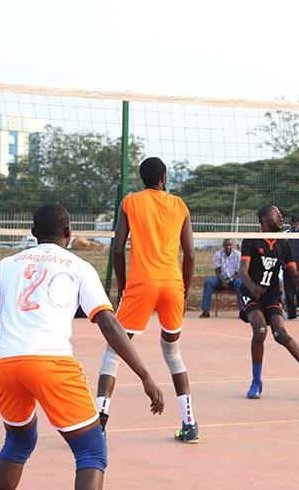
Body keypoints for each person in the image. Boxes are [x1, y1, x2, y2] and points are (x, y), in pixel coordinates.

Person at [0, 204, 164, 490]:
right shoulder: (78, 266)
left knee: (18, 441)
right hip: (51, 362)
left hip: (6, 364)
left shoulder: (7, 263)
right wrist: (145, 375)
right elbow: (109, 324)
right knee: (91, 451)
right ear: (68, 233)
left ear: (34, 233)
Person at [95, 157, 198, 443]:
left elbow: (117, 250)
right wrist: (184, 290)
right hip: (172, 285)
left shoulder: (130, 202)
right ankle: (190, 424)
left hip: (141, 283)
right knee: (173, 353)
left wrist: (124, 286)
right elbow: (189, 254)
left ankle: (99, 422)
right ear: (164, 177)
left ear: (142, 178)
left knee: (114, 351)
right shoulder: (180, 205)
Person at [238, 205, 299, 400]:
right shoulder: (251, 240)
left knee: (280, 333)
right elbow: (242, 271)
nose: (280, 216)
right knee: (260, 329)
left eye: (281, 213)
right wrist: (253, 288)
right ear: (263, 218)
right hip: (250, 292)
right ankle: (256, 381)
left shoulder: (284, 244)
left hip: (271, 294)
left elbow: (295, 278)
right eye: (275, 213)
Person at [200, 239, 242, 318]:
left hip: (233, 279)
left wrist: (230, 280)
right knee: (208, 282)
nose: (228, 247)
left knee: (240, 283)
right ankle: (206, 310)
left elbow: (238, 273)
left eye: (230, 245)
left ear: (232, 246)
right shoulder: (218, 255)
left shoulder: (238, 255)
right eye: (226, 245)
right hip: (220, 279)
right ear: (223, 246)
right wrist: (223, 280)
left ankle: (242, 311)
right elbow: (217, 271)